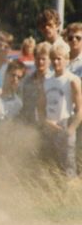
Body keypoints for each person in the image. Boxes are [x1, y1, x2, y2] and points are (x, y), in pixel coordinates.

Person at [40, 43, 82, 179]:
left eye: (59, 58)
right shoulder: (47, 80)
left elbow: (80, 110)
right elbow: (40, 106)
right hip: (49, 126)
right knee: (49, 166)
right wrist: (45, 121)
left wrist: (71, 129)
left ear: (66, 59)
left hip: (65, 124)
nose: (56, 62)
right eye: (53, 58)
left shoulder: (72, 80)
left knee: (67, 167)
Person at [20, 42, 52, 126]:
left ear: (50, 60)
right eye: (38, 59)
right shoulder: (27, 80)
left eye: (43, 59)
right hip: (29, 123)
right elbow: (24, 102)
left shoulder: (53, 80)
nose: (40, 62)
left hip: (48, 124)